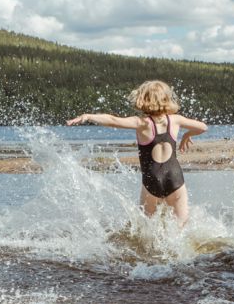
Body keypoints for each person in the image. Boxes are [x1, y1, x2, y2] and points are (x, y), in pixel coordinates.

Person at [66, 80, 207, 227]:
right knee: (181, 226)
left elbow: (113, 120)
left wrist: (89, 116)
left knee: (146, 228)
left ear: (143, 99)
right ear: (167, 99)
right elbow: (203, 127)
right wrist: (187, 135)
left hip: (152, 180)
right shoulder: (176, 120)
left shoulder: (142, 123)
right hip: (175, 177)